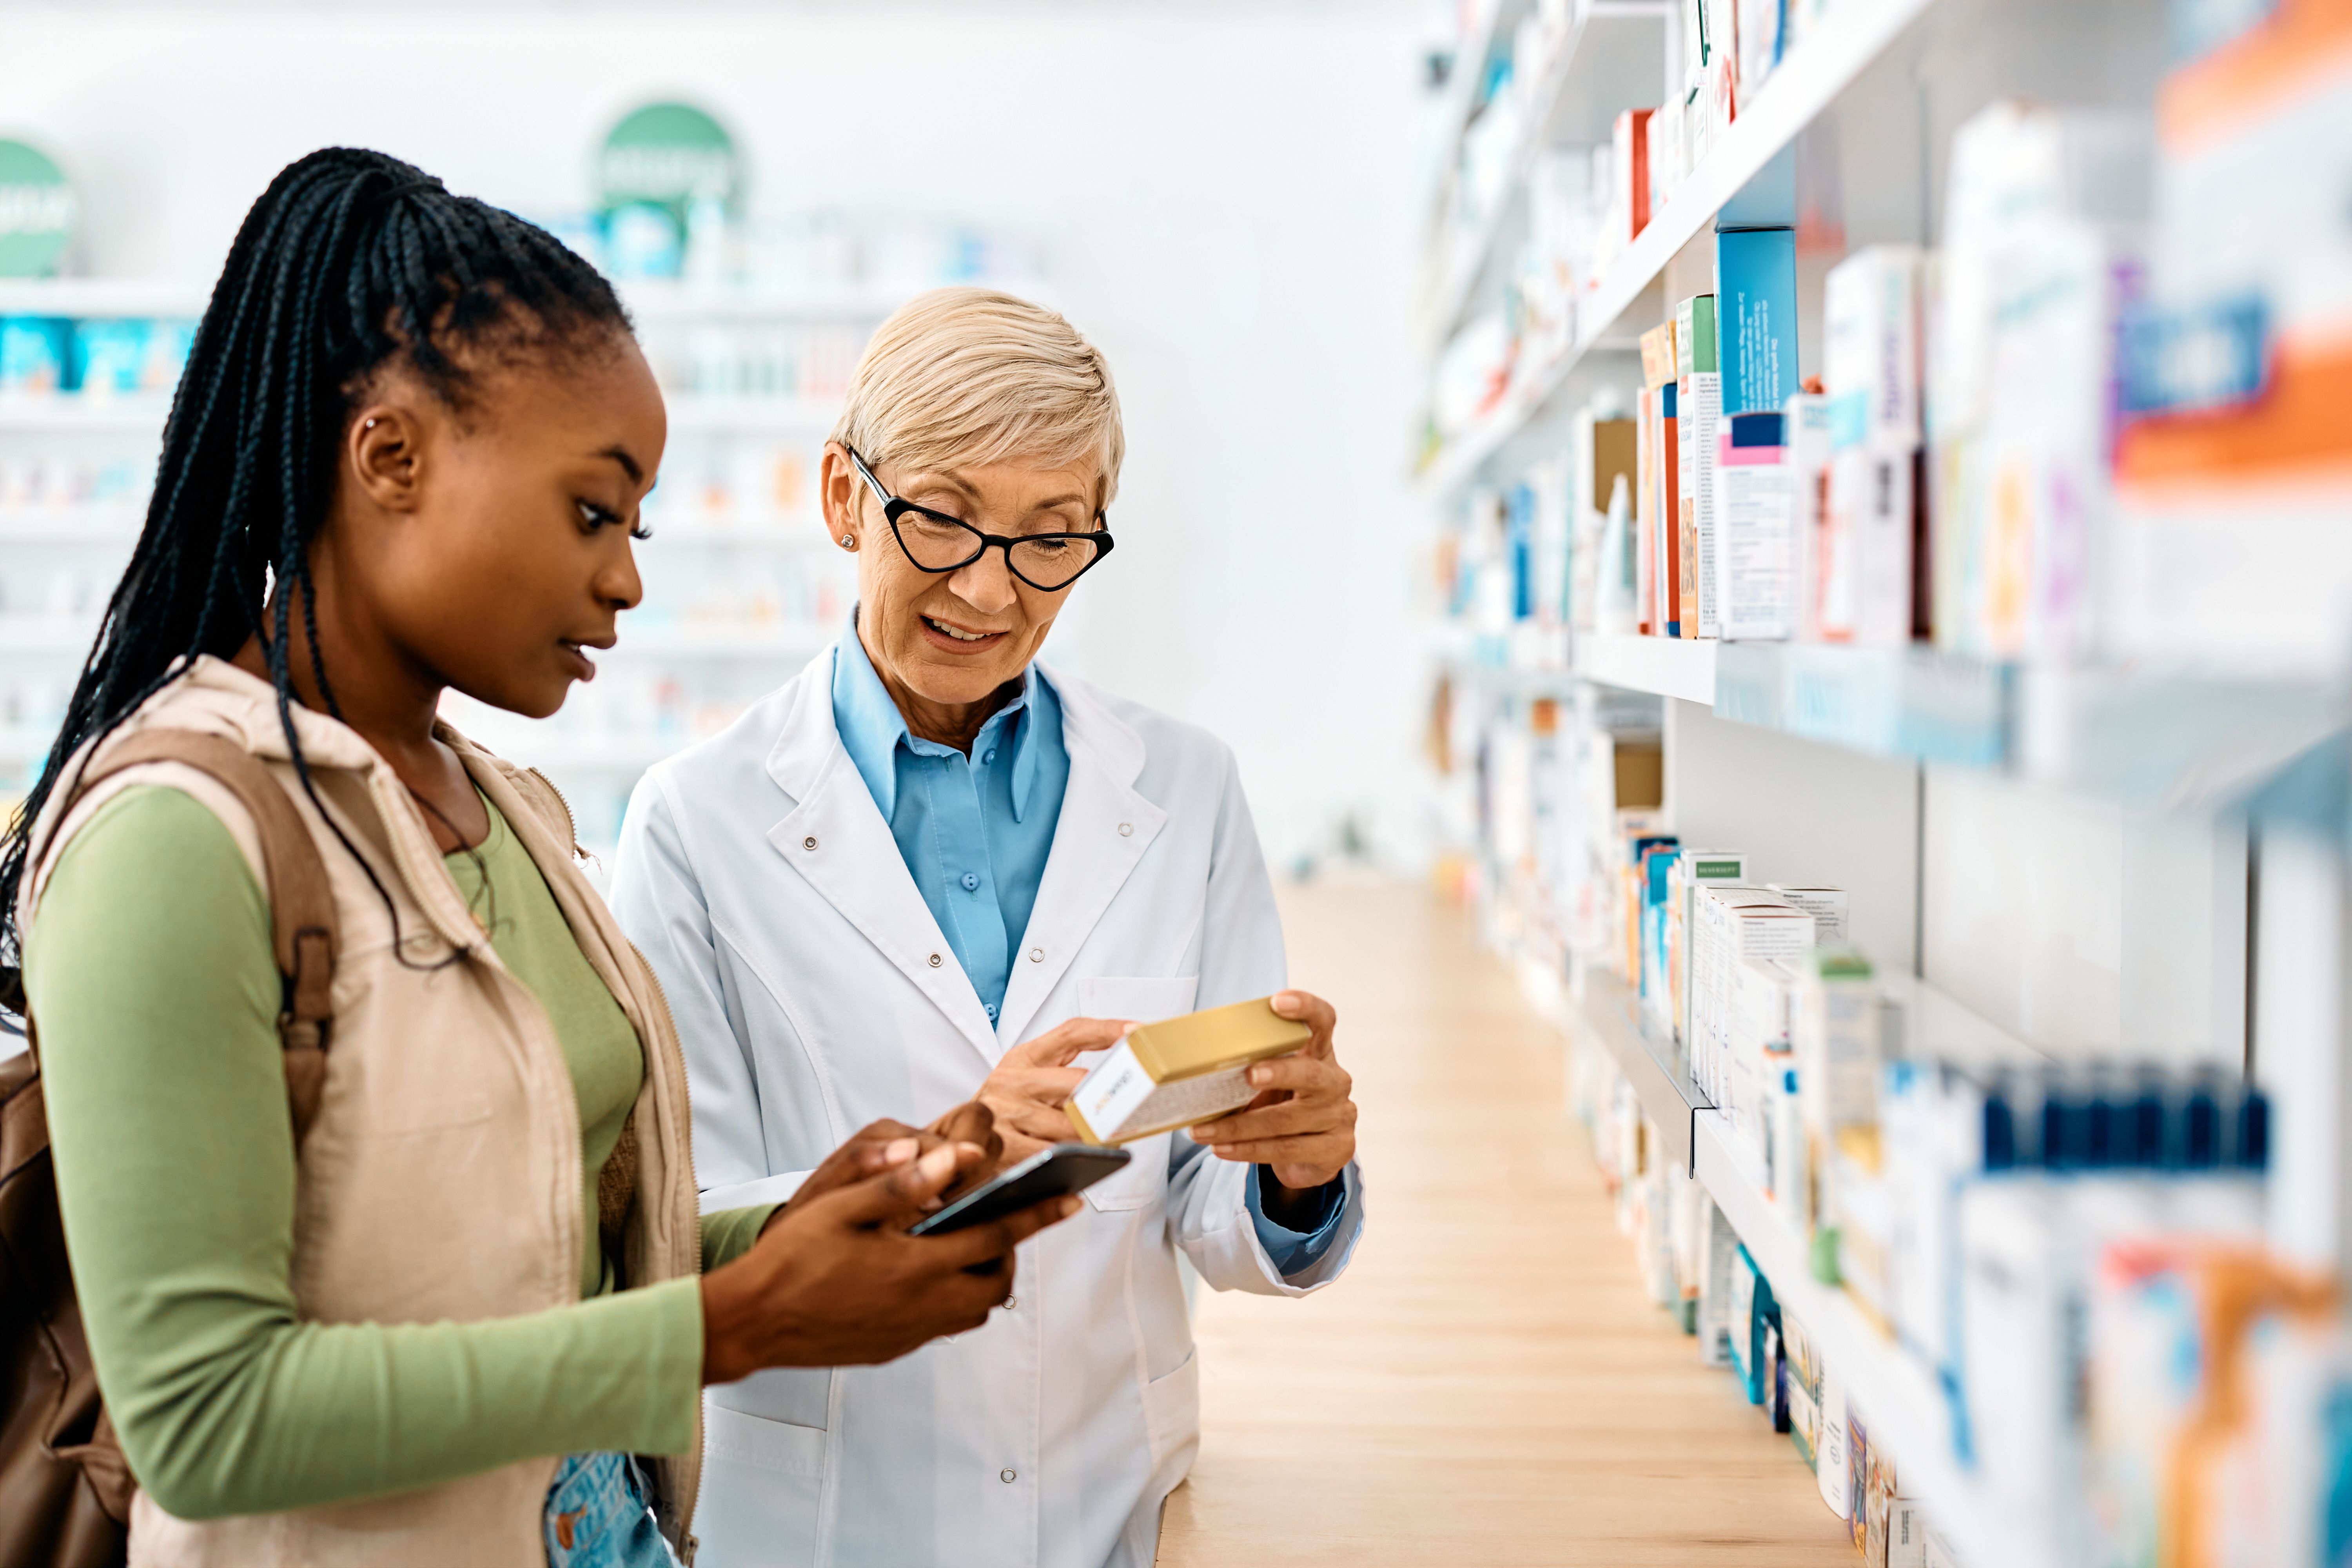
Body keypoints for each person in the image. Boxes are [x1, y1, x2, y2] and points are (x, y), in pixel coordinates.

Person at [0, 151, 1078, 1568]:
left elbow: (533, 1260)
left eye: (639, 524)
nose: (628, 576)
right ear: (390, 458)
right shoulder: (175, 835)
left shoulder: (507, 809)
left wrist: (797, 1228)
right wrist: (732, 1329)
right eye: (590, 509)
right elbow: (205, 1418)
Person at [610, 287, 1368, 1568]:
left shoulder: (1183, 791)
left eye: (1050, 539)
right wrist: (944, 1159)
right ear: (847, 498)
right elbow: (680, 1228)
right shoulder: (696, 822)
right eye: (947, 520)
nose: (991, 588)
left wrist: (1298, 1175)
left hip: (1105, 1498)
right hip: (825, 1510)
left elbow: (1204, 1206)